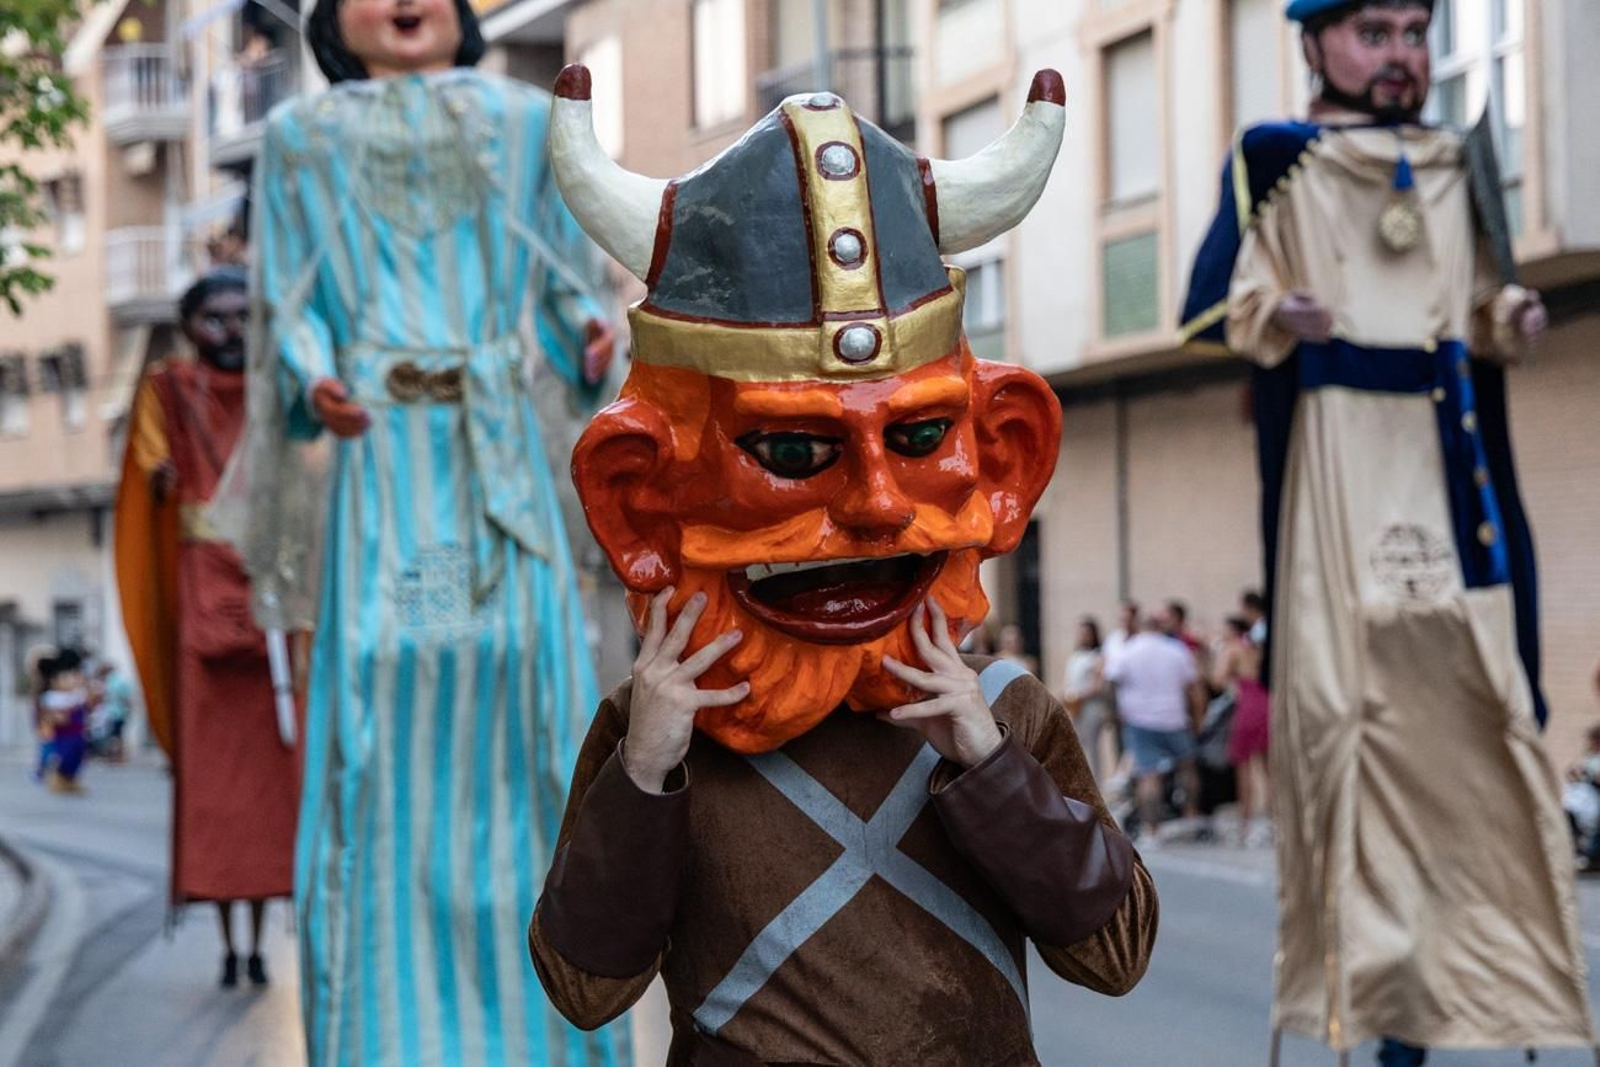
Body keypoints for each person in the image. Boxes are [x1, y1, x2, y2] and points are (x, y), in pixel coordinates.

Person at [529, 68, 1157, 1064]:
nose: (870, 505)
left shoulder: (1007, 709)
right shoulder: (652, 730)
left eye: (916, 438)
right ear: (638, 493)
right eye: (791, 452)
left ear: (1003, 456)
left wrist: (990, 766)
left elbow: (1113, 950)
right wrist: (646, 769)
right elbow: (585, 982)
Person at [209, 0, 628, 1061]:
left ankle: (554, 1035)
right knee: (378, 726)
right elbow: (288, 301)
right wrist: (314, 375)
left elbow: (561, 283)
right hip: (384, 472)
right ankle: (385, 1032)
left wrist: (586, 334)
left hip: (501, 480)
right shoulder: (299, 139)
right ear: (333, 19)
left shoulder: (535, 124)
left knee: (533, 711)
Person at [1179, 1, 1594, 1062]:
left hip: (1449, 481)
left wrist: (1511, 319)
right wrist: (1278, 315)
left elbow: (1475, 303)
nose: (1404, 55)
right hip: (1340, 481)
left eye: (1416, 31)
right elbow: (1211, 303)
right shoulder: (1278, 160)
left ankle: (1456, 1002)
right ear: (1316, 42)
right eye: (1377, 33)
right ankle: (1368, 1007)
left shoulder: (1456, 160)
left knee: (1475, 727)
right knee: (1341, 728)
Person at [116, 268, 302, 989]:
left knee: (265, 781)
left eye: (241, 317)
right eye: (214, 319)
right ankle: (229, 940)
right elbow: (150, 466)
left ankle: (256, 939)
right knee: (214, 786)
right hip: (203, 587)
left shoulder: (274, 388)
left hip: (268, 589)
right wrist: (163, 477)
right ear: (190, 325)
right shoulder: (165, 389)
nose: (230, 331)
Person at [1103, 611, 1204, 842]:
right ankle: (1190, 820)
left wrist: (1114, 713)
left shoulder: (1128, 651)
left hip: (1139, 720)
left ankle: (1152, 831)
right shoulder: (1176, 650)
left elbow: (1109, 682)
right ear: (1161, 627)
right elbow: (1194, 688)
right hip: (1174, 717)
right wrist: (1197, 719)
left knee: (1148, 776)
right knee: (1187, 767)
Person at [1212, 616, 1269, 846]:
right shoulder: (1258, 649)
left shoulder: (1233, 649)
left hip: (1246, 706)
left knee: (1244, 769)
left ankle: (1246, 825)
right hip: (1266, 703)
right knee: (1269, 770)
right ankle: (1275, 823)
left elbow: (1217, 679)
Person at [1063, 617, 1113, 782]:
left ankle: (1095, 782)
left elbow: (1098, 686)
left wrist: (1078, 695)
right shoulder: (1076, 655)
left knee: (1091, 747)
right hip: (1075, 707)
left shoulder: (1097, 657)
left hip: (1090, 707)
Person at [37, 649, 91, 794]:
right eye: (68, 677)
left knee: (78, 756)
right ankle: (58, 778)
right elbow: (49, 716)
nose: (73, 680)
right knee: (65, 756)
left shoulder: (78, 695)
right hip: (64, 735)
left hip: (78, 735)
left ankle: (71, 780)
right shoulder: (53, 697)